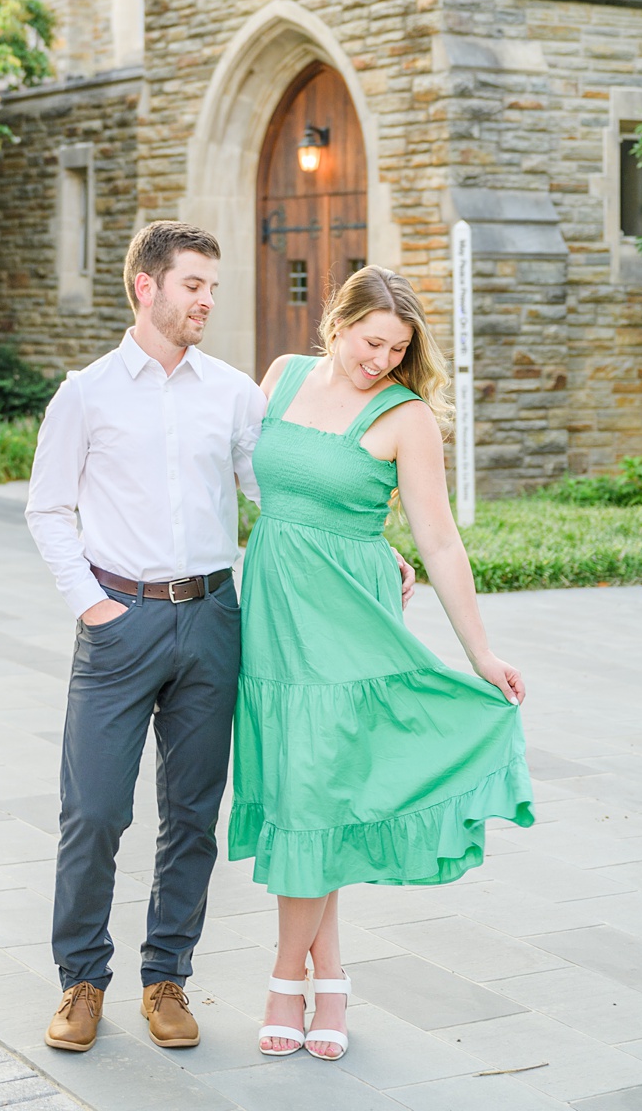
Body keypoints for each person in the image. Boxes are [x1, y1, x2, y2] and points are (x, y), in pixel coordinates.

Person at [25, 221, 412, 1054]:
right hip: (119, 623)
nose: (206, 301)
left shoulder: (235, 392)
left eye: (212, 288)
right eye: (193, 285)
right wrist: (93, 607)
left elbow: (280, 491)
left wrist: (376, 551)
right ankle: (81, 983)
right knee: (93, 812)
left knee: (193, 814)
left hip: (213, 619)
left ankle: (167, 977)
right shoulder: (86, 392)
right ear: (147, 287)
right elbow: (48, 507)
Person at [234, 265, 534, 1062]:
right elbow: (261, 484)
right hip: (274, 620)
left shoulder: (406, 418)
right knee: (307, 794)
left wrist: (481, 652)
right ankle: (330, 979)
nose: (381, 359)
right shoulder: (282, 377)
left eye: (398, 349)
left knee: (312, 792)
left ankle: (284, 981)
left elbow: (440, 539)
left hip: (346, 631)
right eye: (373, 342)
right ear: (338, 321)